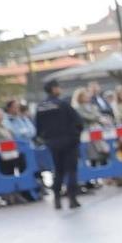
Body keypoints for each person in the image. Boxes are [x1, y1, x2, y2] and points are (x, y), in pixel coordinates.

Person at [35, 79, 85, 210]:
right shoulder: (63, 104)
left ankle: (57, 198)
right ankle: (72, 198)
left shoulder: (41, 107)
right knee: (71, 170)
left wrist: (47, 138)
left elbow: (38, 128)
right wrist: (76, 135)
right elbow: (78, 121)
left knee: (58, 170)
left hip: (53, 143)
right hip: (69, 141)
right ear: (54, 89)